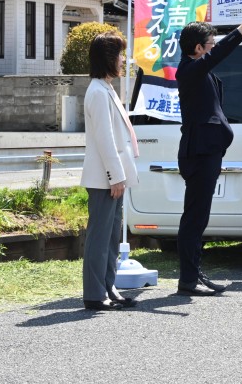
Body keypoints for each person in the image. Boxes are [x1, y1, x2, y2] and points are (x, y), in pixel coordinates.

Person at [176, 0, 242, 296]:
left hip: (207, 151)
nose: (213, 47)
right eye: (209, 43)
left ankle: (193, 273)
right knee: (195, 217)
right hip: (199, 152)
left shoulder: (198, 69)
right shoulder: (189, 70)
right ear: (198, 48)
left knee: (199, 216)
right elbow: (221, 53)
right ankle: (188, 278)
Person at [81, 32, 139, 311]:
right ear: (107, 58)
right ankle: (95, 293)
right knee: (100, 237)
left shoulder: (104, 88)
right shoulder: (97, 91)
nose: (122, 60)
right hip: (104, 177)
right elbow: (105, 138)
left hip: (111, 177)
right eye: (118, 55)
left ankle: (108, 286)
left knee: (111, 237)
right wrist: (115, 176)